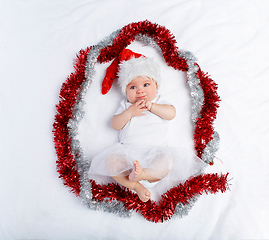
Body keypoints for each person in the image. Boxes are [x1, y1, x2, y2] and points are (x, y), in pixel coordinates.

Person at [88, 49, 205, 202]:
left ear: (156, 87)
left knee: (169, 160)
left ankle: (144, 175)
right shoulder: (126, 105)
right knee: (111, 162)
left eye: (145, 84)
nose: (140, 90)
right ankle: (137, 186)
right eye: (133, 87)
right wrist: (129, 113)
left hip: (155, 152)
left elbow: (171, 113)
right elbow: (115, 124)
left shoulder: (159, 101)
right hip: (129, 154)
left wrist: (152, 107)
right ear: (126, 92)